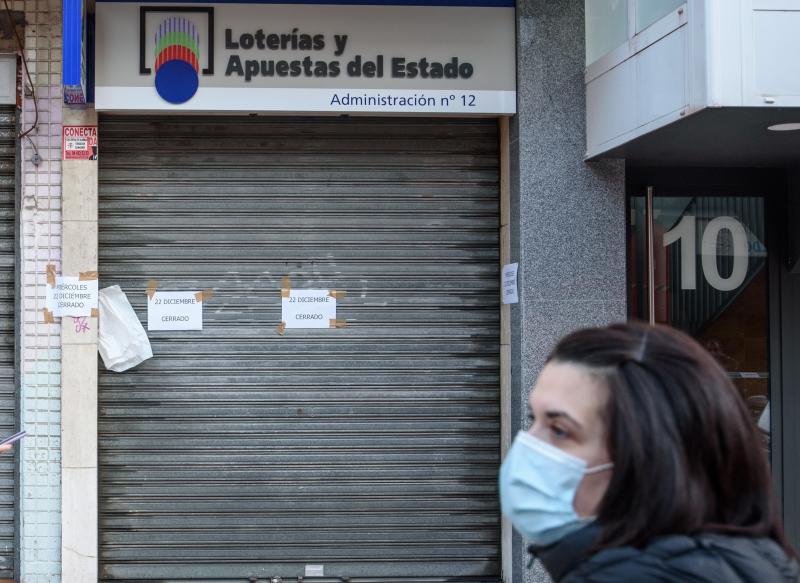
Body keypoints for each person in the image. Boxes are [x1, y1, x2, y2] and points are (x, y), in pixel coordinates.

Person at [499, 322, 799, 582]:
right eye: (533, 420)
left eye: (560, 430)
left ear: (646, 453)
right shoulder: (747, 557)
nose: (527, 446)